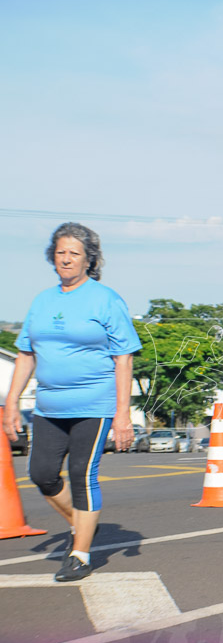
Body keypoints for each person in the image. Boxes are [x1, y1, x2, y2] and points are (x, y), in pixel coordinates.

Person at [2, 223, 141, 582]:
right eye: (61, 252)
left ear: (89, 259)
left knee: (82, 474)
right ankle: (83, 526)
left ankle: (79, 554)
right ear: (53, 257)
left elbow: (124, 357)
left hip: (94, 404)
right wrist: (12, 401)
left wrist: (122, 414)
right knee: (42, 475)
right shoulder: (42, 300)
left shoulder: (105, 298)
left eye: (74, 253)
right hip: (49, 406)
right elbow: (25, 354)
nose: (66, 259)